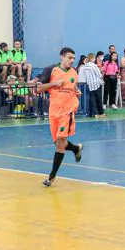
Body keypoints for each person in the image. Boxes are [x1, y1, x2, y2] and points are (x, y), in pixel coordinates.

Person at [37, 47, 84, 187]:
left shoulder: (74, 72)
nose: (72, 60)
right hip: (54, 111)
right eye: (69, 57)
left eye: (73, 58)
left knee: (61, 140)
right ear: (62, 57)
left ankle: (51, 177)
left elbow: (73, 85)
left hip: (68, 110)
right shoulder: (50, 70)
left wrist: (77, 90)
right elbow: (39, 88)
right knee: (58, 143)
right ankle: (76, 149)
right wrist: (54, 84)